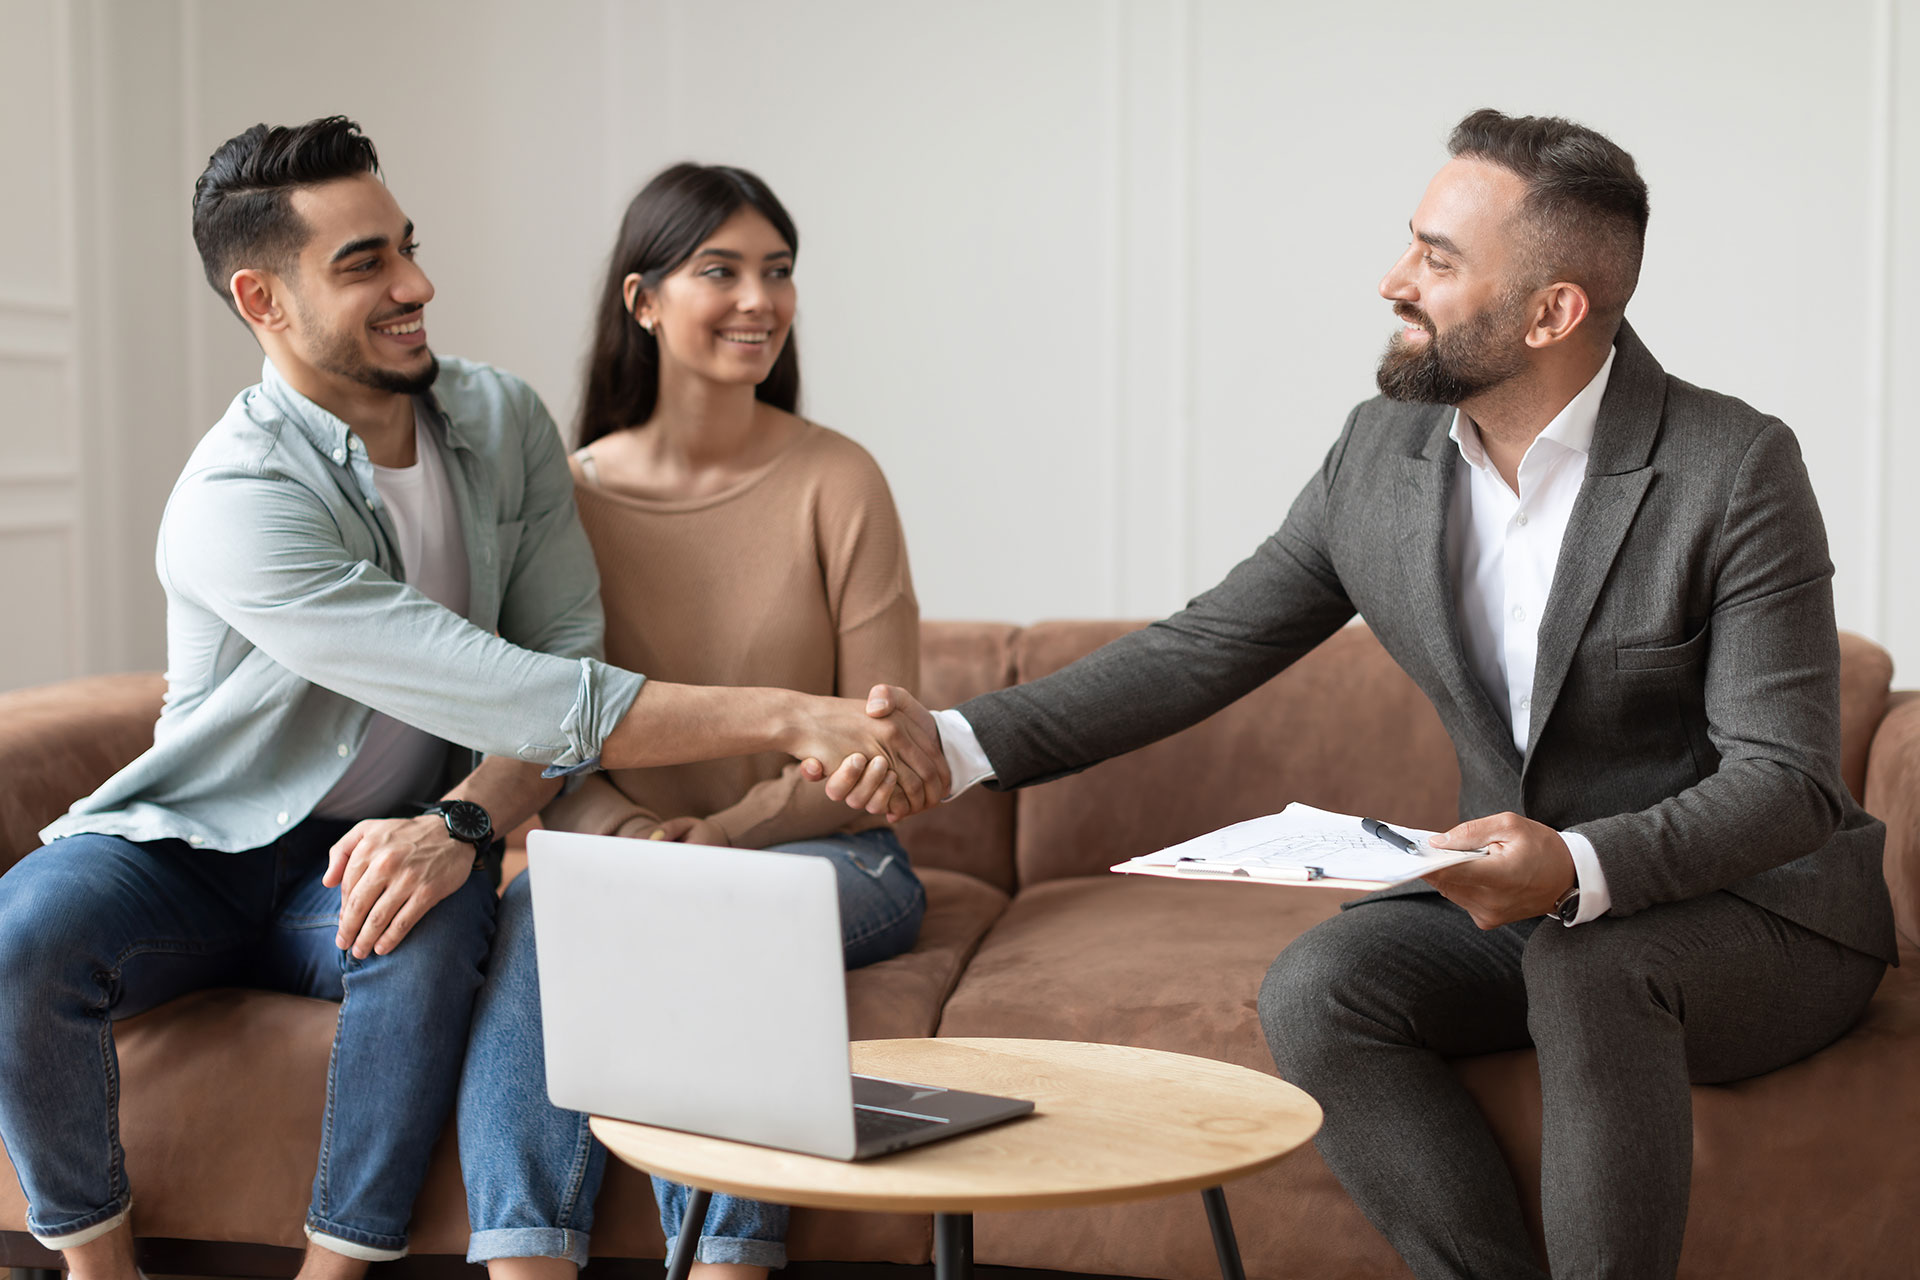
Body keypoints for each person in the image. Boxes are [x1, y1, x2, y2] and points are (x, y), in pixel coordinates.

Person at [845, 109, 1898, 1279]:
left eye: (1439, 261)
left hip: (1759, 913)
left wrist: (1578, 865)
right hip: (1531, 908)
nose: (1395, 280)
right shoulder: (1381, 455)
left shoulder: (1732, 466)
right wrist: (953, 741)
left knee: (1588, 957)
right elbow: (1207, 643)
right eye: (1414, 244)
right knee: (1323, 983)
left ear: (1554, 311)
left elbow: (1787, 779)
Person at [0, 118, 941, 1280]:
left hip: (413, 843)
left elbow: (561, 664)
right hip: (206, 842)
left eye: (407, 246)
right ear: (263, 299)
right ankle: (98, 1267)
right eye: (365, 264)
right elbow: (517, 690)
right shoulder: (237, 499)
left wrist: (469, 821)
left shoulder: (504, 424)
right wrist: (782, 721)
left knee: (470, 911)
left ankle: (356, 1269)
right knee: (24, 922)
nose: (416, 283)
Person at [455, 163, 926, 1280]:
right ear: (643, 300)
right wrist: (631, 840)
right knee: (537, 923)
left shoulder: (839, 479)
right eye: (721, 270)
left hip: (833, 853)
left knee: (704, 918)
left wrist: (732, 836)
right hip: (621, 860)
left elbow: (884, 744)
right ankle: (524, 1262)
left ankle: (724, 1266)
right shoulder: (566, 497)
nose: (759, 299)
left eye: (778, 272)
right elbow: (554, 725)